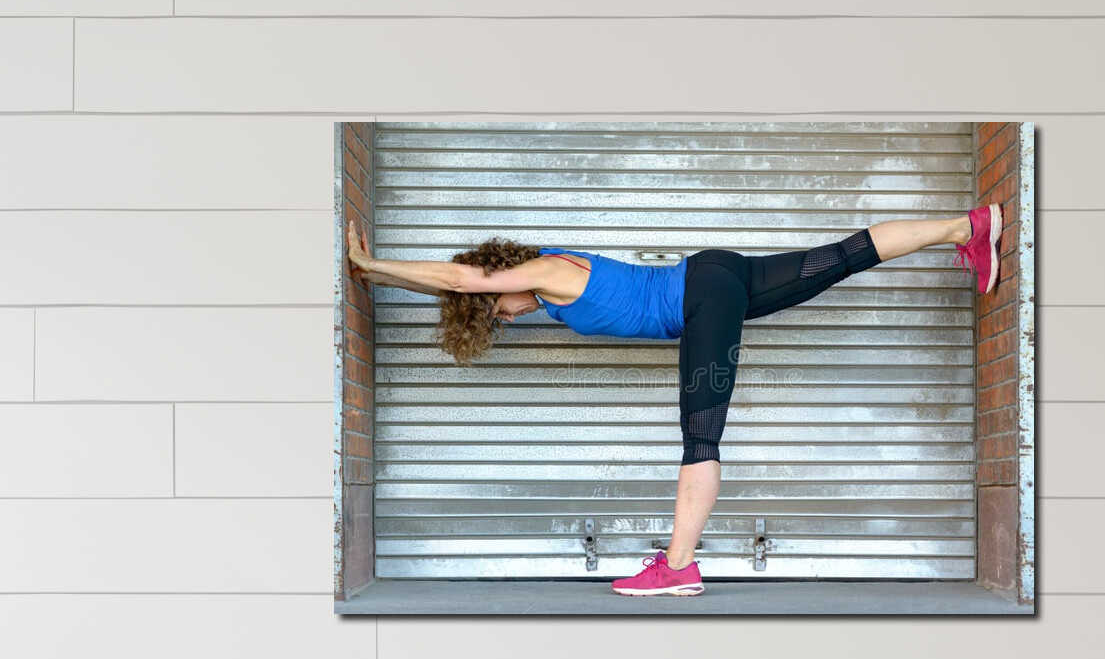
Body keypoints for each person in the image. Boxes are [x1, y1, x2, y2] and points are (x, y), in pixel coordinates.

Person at [346, 204, 1004, 596]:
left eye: (496, 311)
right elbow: (471, 284)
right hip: (714, 274)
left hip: (701, 296)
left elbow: (456, 277)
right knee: (838, 258)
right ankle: (966, 227)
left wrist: (376, 270)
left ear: (497, 281)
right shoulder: (548, 284)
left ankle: (678, 567)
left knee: (700, 435)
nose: (506, 317)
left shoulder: (544, 271)